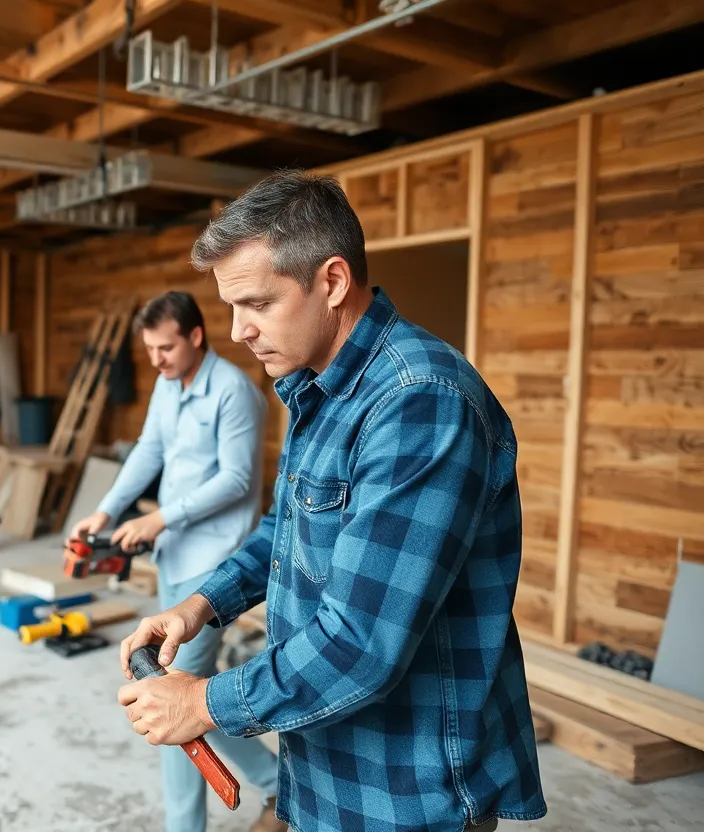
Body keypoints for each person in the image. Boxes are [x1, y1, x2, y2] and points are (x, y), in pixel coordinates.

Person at [115, 171, 547, 832]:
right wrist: (200, 606)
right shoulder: (316, 387)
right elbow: (285, 530)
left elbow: (364, 640)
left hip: (405, 786)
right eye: (232, 308)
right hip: (327, 764)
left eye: (257, 303)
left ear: (334, 281)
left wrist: (206, 702)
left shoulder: (419, 401)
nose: (238, 331)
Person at [70, 291, 286, 832]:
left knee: (171, 706)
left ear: (194, 337)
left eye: (165, 348)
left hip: (214, 566)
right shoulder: (168, 387)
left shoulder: (235, 392)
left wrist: (158, 518)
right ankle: (283, 787)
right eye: (149, 350)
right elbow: (149, 448)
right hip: (173, 558)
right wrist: (107, 510)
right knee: (191, 691)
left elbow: (237, 480)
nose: (156, 360)